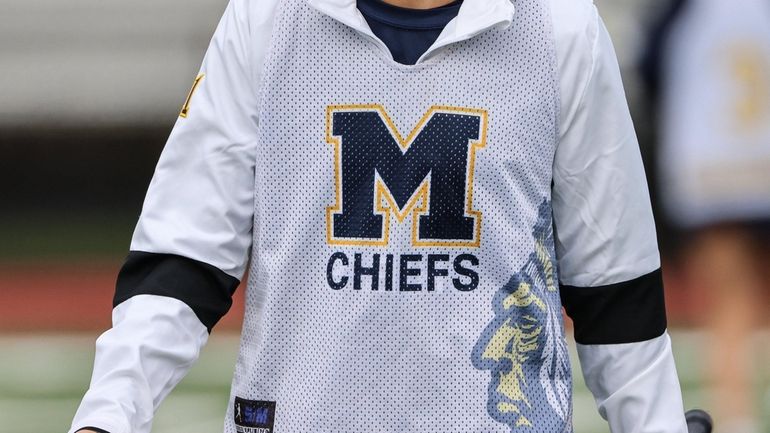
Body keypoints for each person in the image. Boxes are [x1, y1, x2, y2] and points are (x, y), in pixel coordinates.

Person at [70, 0, 689, 432]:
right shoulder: (267, 17)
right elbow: (183, 257)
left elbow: (617, 293)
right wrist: (107, 414)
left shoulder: (561, 27)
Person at [642, 1, 770, 432]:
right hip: (758, 154)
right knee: (733, 296)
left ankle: (737, 414)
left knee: (727, 300)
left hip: (711, 166)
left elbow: (650, 70)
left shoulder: (685, 10)